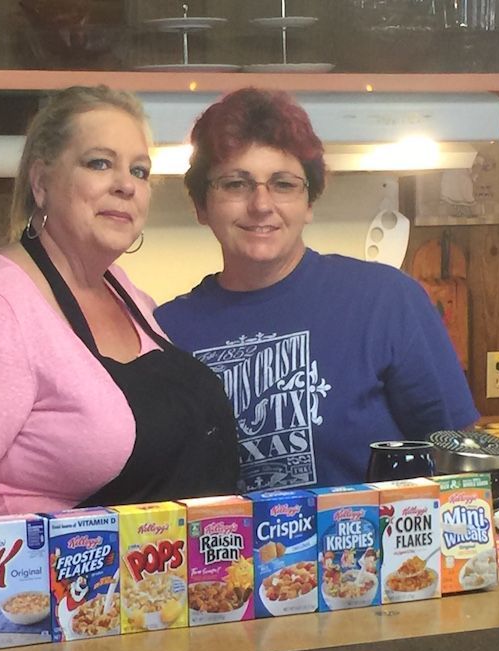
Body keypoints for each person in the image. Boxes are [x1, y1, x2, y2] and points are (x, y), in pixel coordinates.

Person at [0, 85, 239, 522]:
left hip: (179, 581)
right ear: (41, 182)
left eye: (139, 171)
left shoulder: (125, 291)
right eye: (99, 163)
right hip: (47, 588)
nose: (125, 186)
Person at [153, 88, 479, 490]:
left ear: (309, 202)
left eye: (284, 184)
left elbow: (457, 457)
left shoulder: (386, 300)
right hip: (229, 552)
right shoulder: (162, 332)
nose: (261, 204)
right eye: (235, 184)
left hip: (373, 550)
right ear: (202, 206)